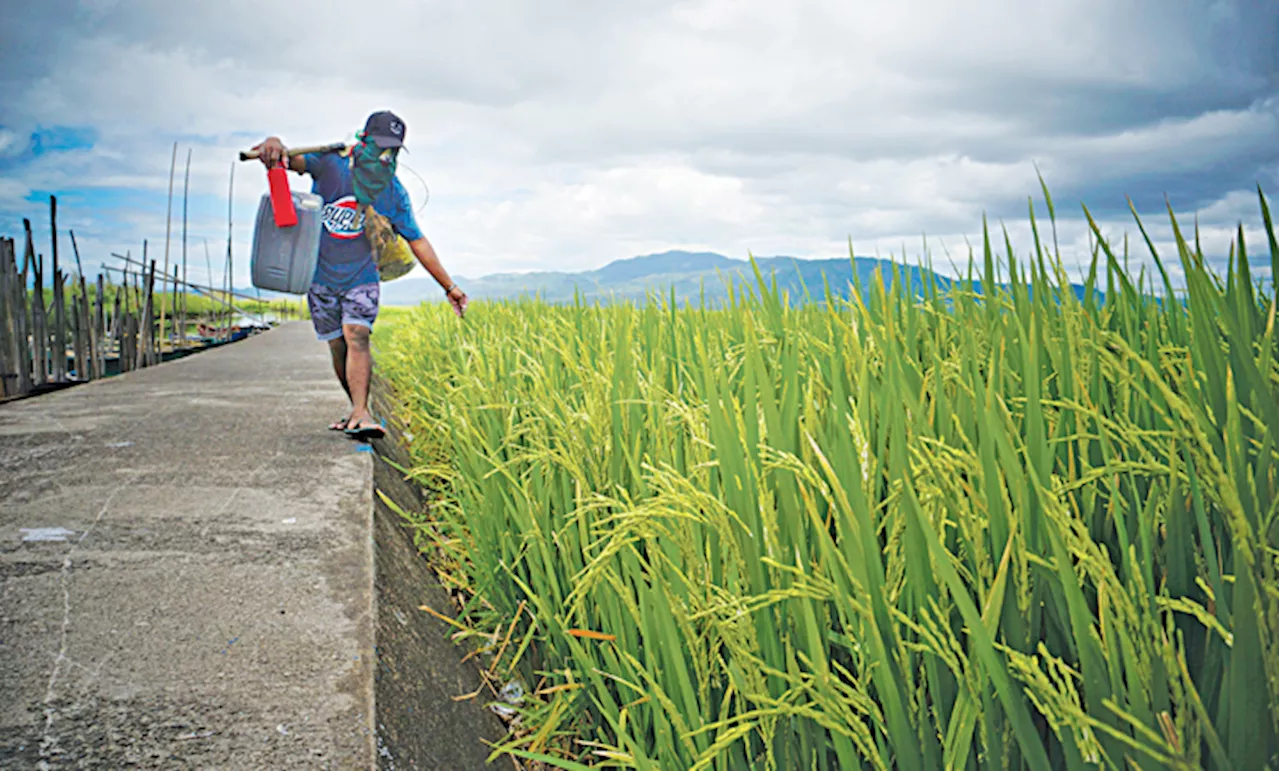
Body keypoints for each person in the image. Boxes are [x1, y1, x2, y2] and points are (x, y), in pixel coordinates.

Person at [251, 110, 467, 441]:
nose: (385, 157)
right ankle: (356, 408)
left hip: (361, 274)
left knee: (357, 334)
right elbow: (289, 161)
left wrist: (449, 286)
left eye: (392, 151)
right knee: (337, 345)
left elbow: (418, 240)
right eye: (380, 147)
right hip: (320, 274)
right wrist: (274, 145)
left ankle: (362, 412)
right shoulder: (330, 164)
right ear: (363, 140)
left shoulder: (392, 191)